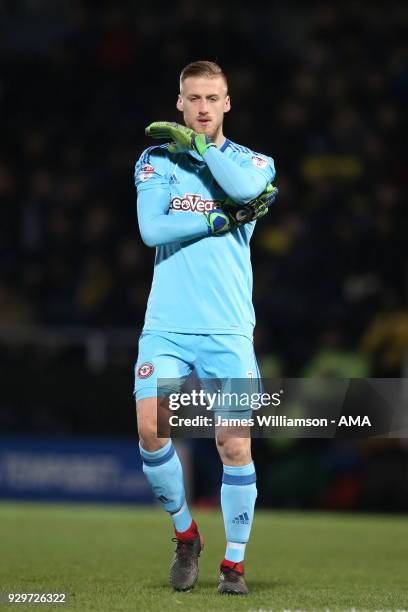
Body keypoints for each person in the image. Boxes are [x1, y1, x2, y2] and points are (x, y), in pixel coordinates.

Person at [134, 60, 277, 595]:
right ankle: (185, 535)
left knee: (234, 444)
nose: (201, 108)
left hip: (228, 330)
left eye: (211, 98)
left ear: (227, 103)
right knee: (151, 430)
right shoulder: (155, 160)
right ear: (179, 103)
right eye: (192, 98)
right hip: (167, 326)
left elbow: (243, 190)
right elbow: (153, 229)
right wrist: (215, 221)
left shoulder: (252, 161)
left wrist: (205, 152)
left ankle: (233, 566)